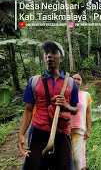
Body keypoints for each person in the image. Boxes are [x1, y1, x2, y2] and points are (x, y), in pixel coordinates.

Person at [18, 40, 79, 170]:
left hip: (62, 133)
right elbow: (28, 110)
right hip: (38, 133)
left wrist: (66, 106)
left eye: (53, 52)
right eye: (46, 53)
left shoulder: (71, 83)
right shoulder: (34, 81)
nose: (49, 55)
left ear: (61, 58)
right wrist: (21, 134)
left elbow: (75, 109)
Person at [71, 74, 92, 170]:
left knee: (79, 159)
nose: (75, 80)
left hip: (80, 130)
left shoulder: (86, 95)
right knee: (68, 158)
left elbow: (88, 113)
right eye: (73, 79)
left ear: (81, 82)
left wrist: (88, 130)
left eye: (78, 79)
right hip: (66, 130)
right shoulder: (66, 94)